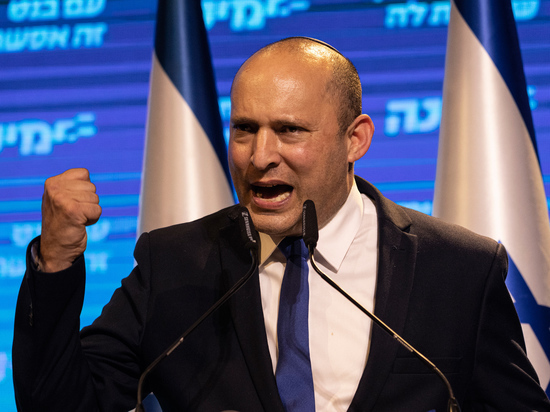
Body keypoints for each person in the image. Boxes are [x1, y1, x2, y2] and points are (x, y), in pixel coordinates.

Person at [13, 37, 550, 411]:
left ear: (355, 139)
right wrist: (56, 261)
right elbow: (61, 404)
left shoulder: (458, 269)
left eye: (289, 130)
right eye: (245, 129)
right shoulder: (173, 262)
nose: (259, 156)